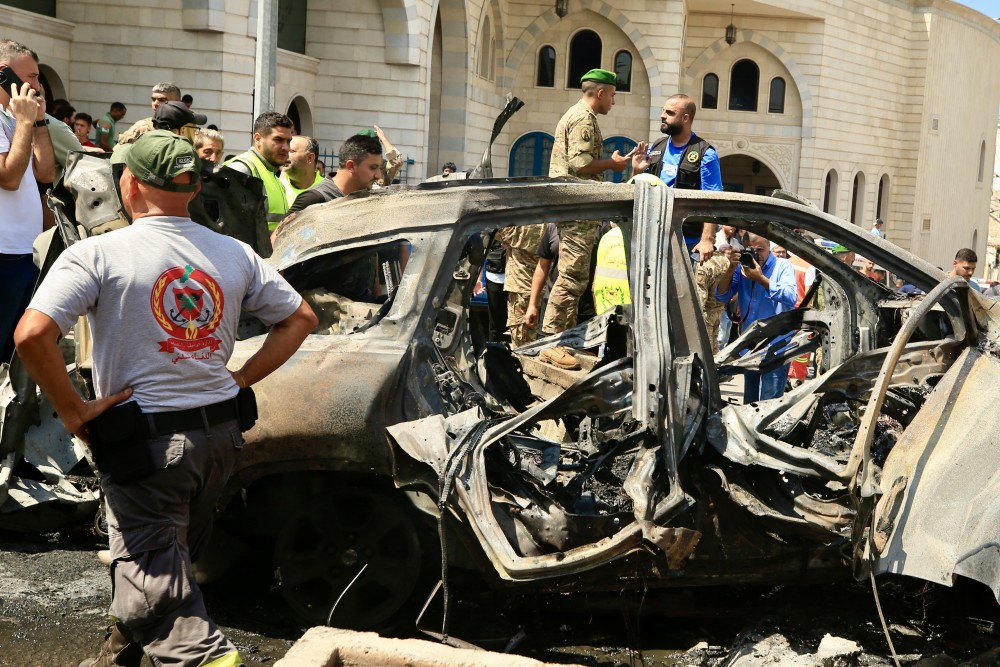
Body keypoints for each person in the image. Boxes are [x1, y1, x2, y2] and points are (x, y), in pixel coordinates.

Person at [13, 130, 317, 667]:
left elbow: (32, 335)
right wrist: (241, 379)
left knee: (160, 594)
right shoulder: (235, 252)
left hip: (146, 446)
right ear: (193, 188)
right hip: (220, 438)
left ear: (129, 184)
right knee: (164, 562)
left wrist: (73, 411)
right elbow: (300, 319)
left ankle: (209, 660)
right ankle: (118, 657)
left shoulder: (97, 254)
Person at [542, 68, 632, 365]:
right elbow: (581, 165)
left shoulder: (577, 115)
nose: (614, 103)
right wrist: (614, 165)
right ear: (602, 92)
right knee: (571, 276)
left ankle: (560, 342)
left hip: (574, 207)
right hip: (577, 209)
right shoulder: (583, 119)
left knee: (575, 277)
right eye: (614, 96)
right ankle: (551, 340)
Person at [0, 38, 55, 364]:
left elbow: (45, 173)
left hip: (25, 252)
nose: (37, 84)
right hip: (3, 254)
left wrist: (38, 122)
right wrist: (24, 121)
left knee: (14, 355)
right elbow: (9, 177)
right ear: (4, 75)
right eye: (31, 77)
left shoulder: (12, 117)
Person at [631, 93, 722, 258]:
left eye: (670, 113)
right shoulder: (656, 147)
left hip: (688, 240)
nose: (662, 116)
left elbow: (714, 200)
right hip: (653, 234)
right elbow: (640, 188)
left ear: (685, 118)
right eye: (663, 111)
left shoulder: (705, 153)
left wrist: (707, 239)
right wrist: (636, 171)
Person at [715, 233, 797, 402]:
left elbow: (790, 297)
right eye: (752, 250)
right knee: (750, 403)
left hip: (776, 348)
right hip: (751, 347)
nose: (756, 255)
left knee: (769, 404)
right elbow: (721, 296)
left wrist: (760, 279)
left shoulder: (783, 266)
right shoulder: (741, 268)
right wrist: (731, 267)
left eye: (761, 250)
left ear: (769, 247)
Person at [225, 111, 294, 230]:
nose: (286, 148)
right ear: (258, 139)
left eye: (288, 141)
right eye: (278, 140)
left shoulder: (275, 178)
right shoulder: (242, 169)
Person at [285, 133, 382, 215]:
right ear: (351, 166)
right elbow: (278, 236)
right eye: (373, 168)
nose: (378, 176)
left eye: (379, 168)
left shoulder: (365, 199)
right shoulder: (313, 198)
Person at [697, 244, 733, 355]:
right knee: (715, 347)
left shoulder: (704, 263)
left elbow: (701, 295)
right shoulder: (725, 260)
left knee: (705, 350)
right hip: (720, 309)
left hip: (707, 312)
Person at [117, 83, 182, 145]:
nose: (155, 104)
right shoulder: (142, 127)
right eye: (153, 99)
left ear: (177, 102)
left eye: (162, 100)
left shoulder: (188, 127)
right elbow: (120, 152)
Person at [279, 135, 323, 207]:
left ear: (310, 158)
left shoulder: (326, 189)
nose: (284, 154)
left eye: (291, 151)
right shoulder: (276, 186)